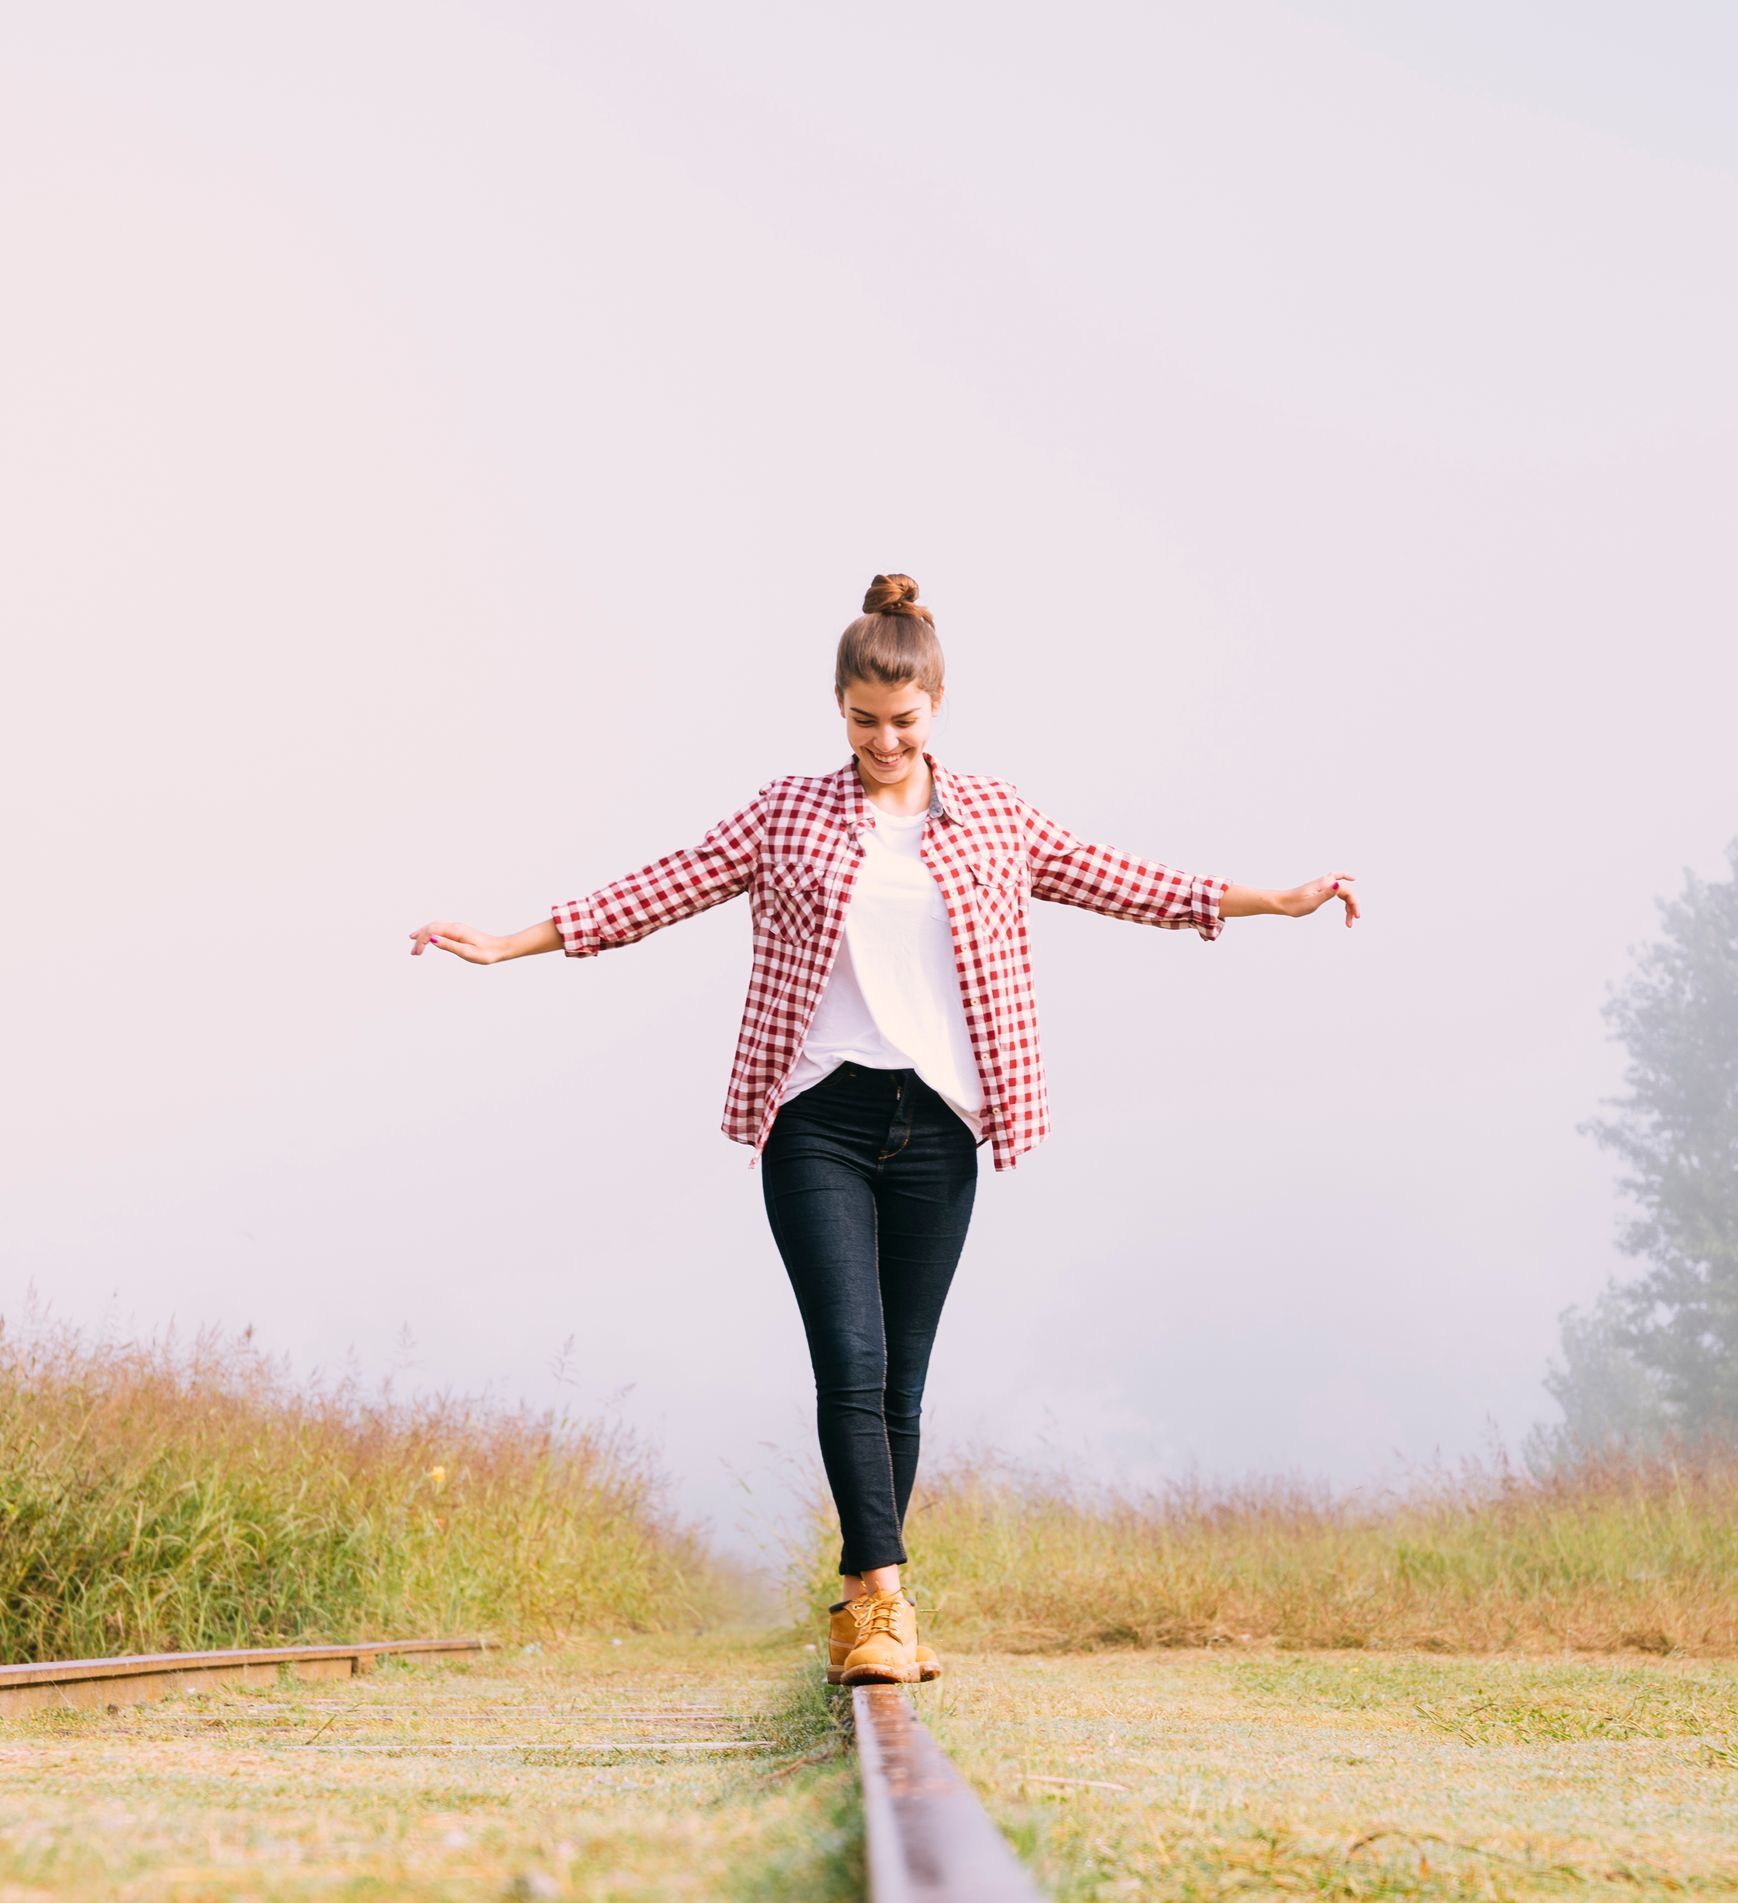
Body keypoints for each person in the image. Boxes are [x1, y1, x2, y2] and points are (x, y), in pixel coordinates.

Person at [411, 573, 1358, 1686]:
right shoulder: (787, 813)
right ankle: (882, 1608)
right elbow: (658, 889)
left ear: (939, 706)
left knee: (903, 1379)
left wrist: (1274, 901)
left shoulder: (997, 815)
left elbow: (1129, 881)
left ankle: (871, 1598)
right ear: (838, 705)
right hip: (817, 1115)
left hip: (941, 1125)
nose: (883, 740)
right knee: (849, 1361)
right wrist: (511, 941)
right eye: (863, 720)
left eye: (904, 721)